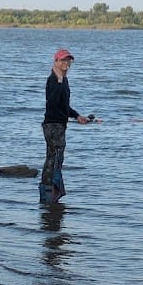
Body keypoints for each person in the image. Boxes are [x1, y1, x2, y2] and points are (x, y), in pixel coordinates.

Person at [39, 48, 89, 204]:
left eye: (68, 60)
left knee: (56, 158)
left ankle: (52, 193)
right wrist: (59, 79)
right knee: (54, 159)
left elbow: (64, 106)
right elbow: (52, 102)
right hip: (52, 125)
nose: (66, 63)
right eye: (63, 60)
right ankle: (48, 193)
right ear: (56, 62)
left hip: (60, 124)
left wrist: (77, 116)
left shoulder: (64, 81)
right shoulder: (53, 80)